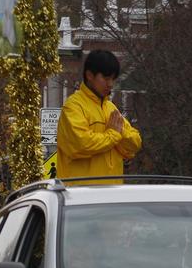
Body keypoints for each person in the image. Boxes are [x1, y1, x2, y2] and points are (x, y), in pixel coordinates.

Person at [56, 50, 143, 182]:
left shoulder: (111, 108)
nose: (110, 84)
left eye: (113, 79)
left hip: (111, 194)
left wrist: (119, 134)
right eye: (106, 78)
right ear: (89, 75)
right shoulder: (73, 107)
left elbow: (135, 143)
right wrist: (113, 135)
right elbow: (81, 144)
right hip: (81, 195)